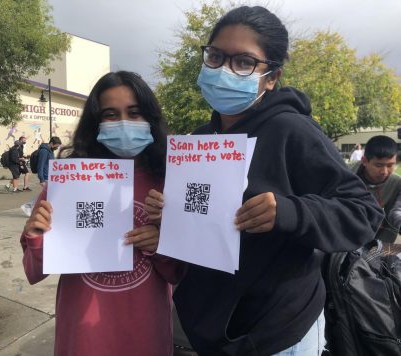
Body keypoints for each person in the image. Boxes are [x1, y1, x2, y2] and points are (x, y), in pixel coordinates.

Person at [144, 6, 383, 355]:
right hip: (210, 326)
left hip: (278, 331)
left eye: (243, 62)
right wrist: (172, 216)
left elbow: (363, 213)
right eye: (215, 56)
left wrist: (289, 212)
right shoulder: (200, 139)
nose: (224, 70)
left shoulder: (292, 130)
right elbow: (202, 227)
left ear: (271, 77)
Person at [20, 71, 184, 356]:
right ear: (95, 122)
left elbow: (179, 272)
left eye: (134, 113)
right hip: (82, 336)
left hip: (147, 332)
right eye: (110, 114)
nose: (123, 123)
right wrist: (35, 237)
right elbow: (34, 271)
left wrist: (161, 244)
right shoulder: (70, 181)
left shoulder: (169, 179)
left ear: (150, 119)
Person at [350, 135, 401, 243]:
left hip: (373, 240)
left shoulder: (396, 184)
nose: (385, 172)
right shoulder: (346, 174)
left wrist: (378, 249)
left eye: (390, 165)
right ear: (364, 161)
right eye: (378, 165)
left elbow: (391, 222)